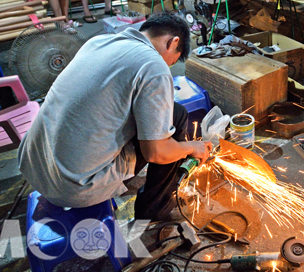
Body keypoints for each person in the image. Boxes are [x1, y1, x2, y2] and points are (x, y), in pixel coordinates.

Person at [17, 13, 213, 221]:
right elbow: (157, 152)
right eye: (172, 61)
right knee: (177, 120)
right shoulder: (153, 65)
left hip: (33, 165)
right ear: (173, 42)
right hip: (74, 187)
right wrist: (192, 147)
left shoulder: (98, 42)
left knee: (171, 113)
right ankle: (154, 211)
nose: (168, 66)